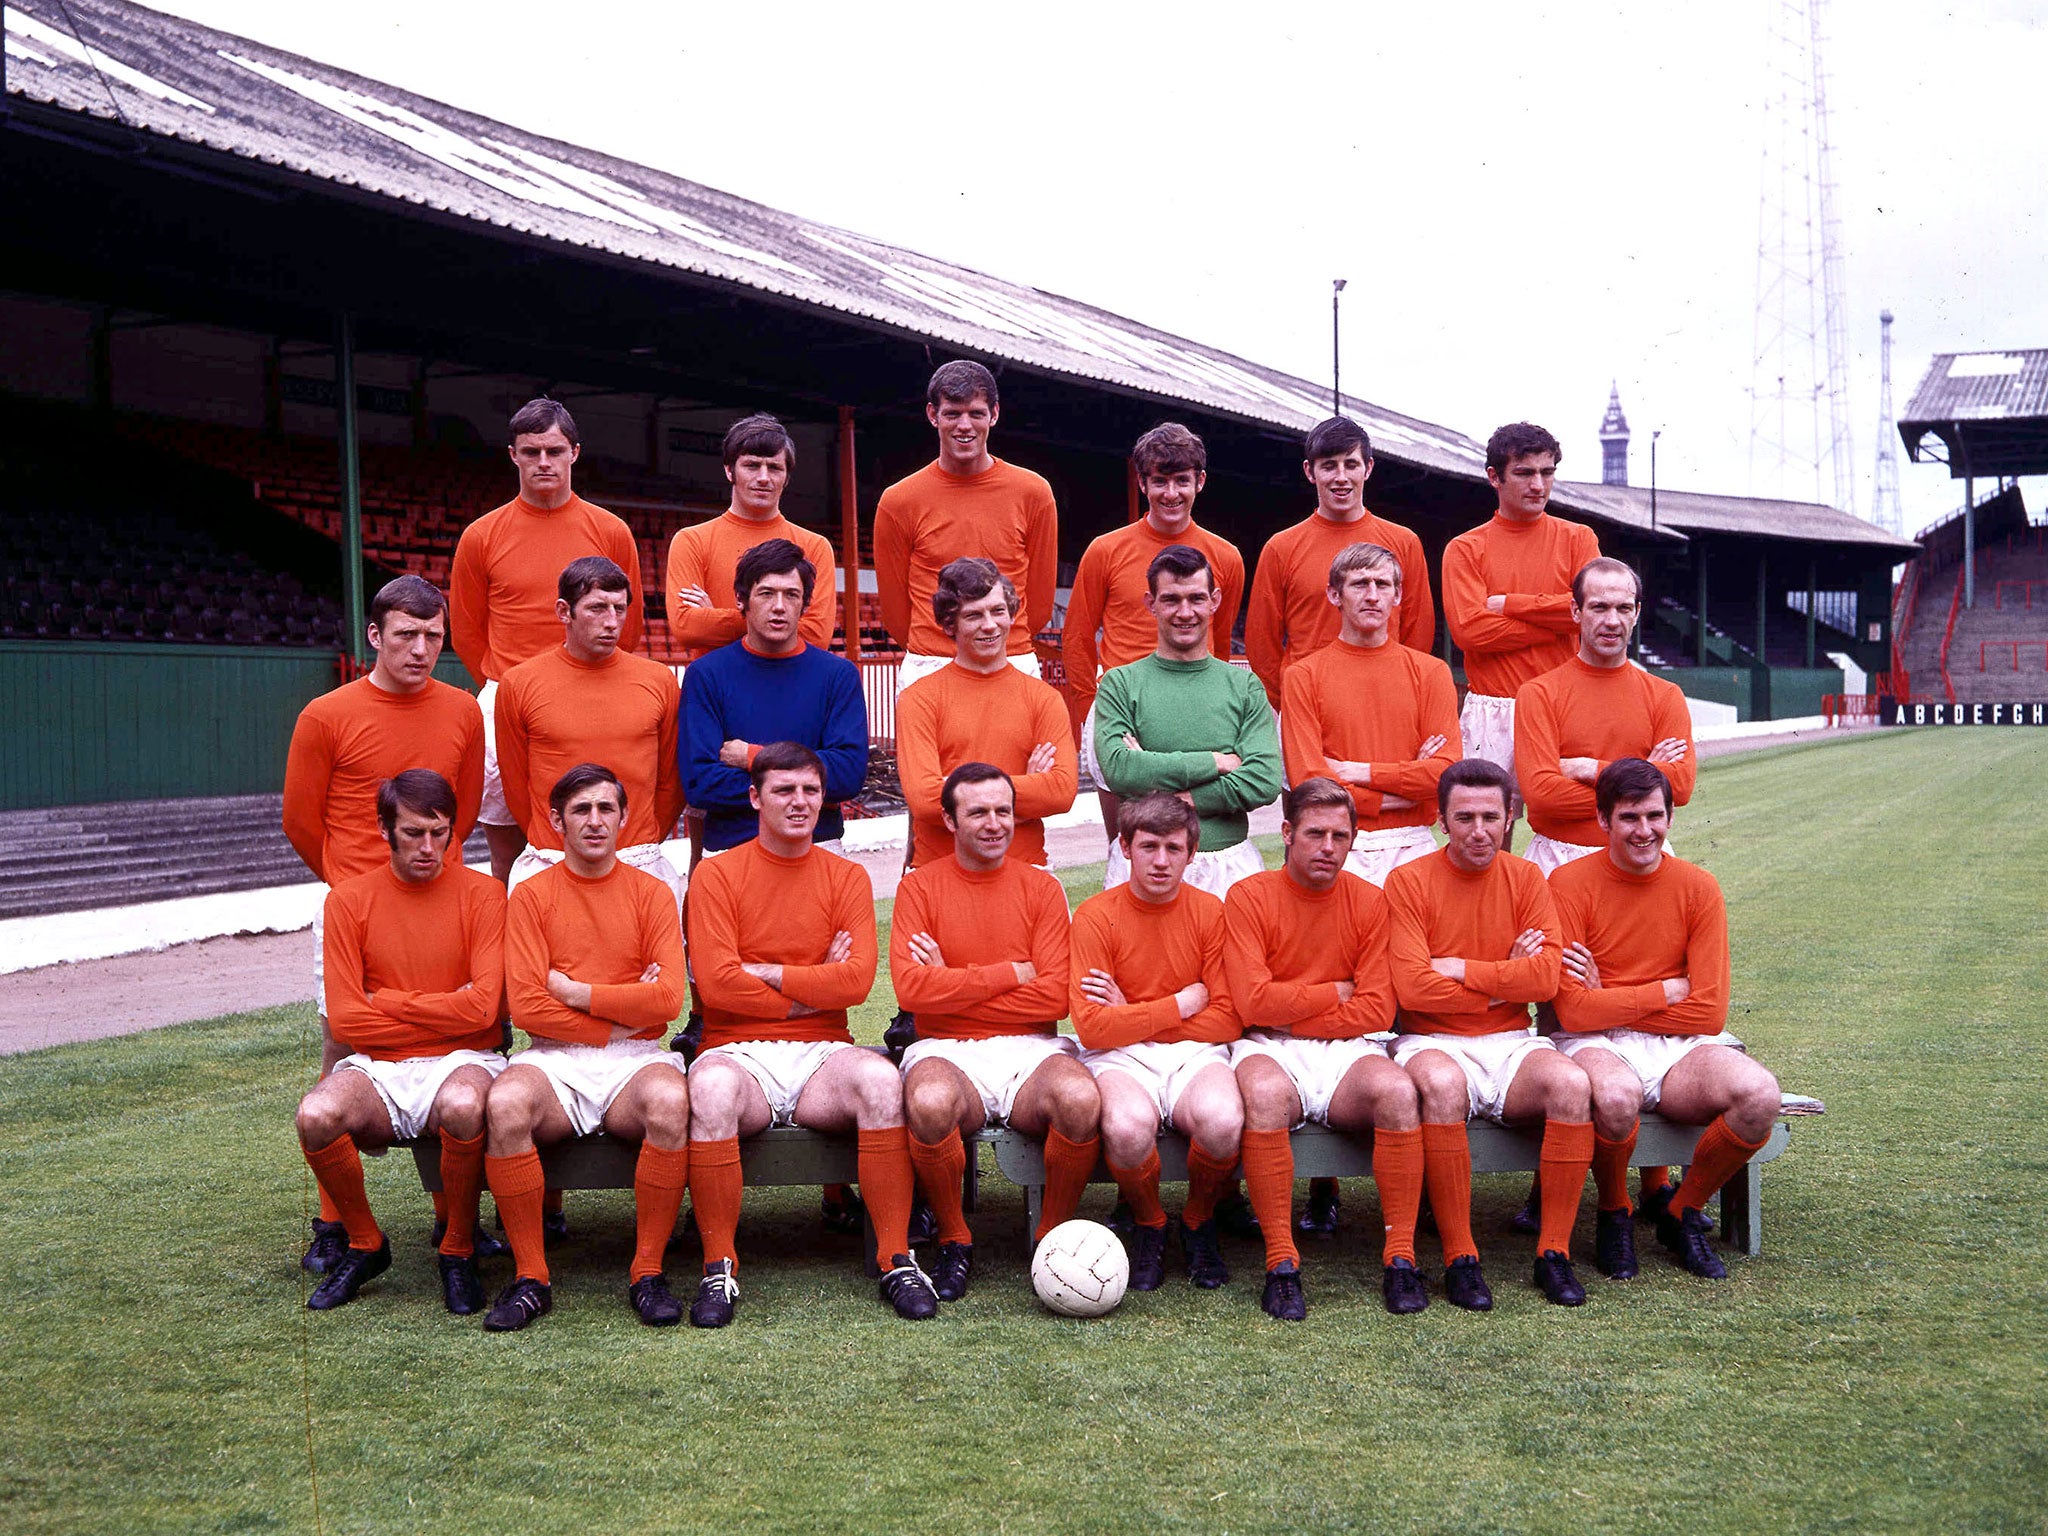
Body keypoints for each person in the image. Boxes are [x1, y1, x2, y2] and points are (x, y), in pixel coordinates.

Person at [684, 743, 936, 1325]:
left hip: (822, 1050)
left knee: (878, 1079)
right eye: (783, 790)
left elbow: (854, 982)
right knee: (712, 1093)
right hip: (733, 1049)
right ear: (754, 797)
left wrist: (769, 973)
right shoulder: (717, 873)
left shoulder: (846, 876)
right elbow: (718, 988)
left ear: (826, 799)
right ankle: (719, 1265)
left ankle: (895, 1256)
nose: (799, 803)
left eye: (810, 791)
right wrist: (811, 981)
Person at [282, 574, 485, 1273]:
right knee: (344, 1047)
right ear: (375, 636)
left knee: (452, 1048)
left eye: (434, 636)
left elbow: (457, 811)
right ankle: (334, 1221)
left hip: (443, 905)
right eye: (407, 634)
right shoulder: (327, 714)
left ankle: (449, 1215)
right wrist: (353, 889)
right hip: (359, 911)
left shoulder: (462, 710)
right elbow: (300, 821)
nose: (422, 648)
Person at [480, 764, 691, 1332]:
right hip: (552, 1057)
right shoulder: (530, 895)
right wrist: (619, 1014)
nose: (594, 821)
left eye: (605, 809)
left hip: (636, 1059)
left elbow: (669, 998)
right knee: (504, 1106)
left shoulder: (651, 892)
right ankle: (531, 1277)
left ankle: (647, 1271)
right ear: (556, 821)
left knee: (671, 1104)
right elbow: (526, 1006)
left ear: (624, 818)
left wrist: (576, 992)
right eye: (580, 810)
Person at [1552, 758, 1779, 1281]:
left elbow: (1709, 1010)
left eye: (1655, 815)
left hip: (1681, 1043)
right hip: (1594, 1041)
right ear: (1604, 820)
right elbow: (1573, 1010)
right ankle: (1614, 1211)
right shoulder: (1567, 883)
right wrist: (1660, 991)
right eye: (1629, 817)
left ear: (1671, 818)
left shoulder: (1699, 887)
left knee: (1759, 1096)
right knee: (1614, 1097)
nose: (1644, 830)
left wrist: (1608, 993)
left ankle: (1684, 1212)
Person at [1384, 758, 1595, 1309]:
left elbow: (1547, 977)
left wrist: (1461, 968)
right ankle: (1460, 1256)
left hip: (1509, 1040)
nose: (1478, 831)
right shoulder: (1408, 881)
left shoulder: (1526, 878)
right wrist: (1506, 977)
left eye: (1490, 818)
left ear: (1510, 819)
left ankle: (1554, 1252)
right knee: (1443, 1086)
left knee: (1572, 1086)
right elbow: (1411, 989)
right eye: (1464, 817)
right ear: (1441, 819)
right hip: (1429, 1040)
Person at [294, 769, 507, 1315]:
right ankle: (366, 1243)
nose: (428, 847)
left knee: (464, 1105)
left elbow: (485, 1013)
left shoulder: (485, 895)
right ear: (384, 829)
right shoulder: (347, 901)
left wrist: (388, 1001)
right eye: (413, 833)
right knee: (315, 1115)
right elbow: (345, 1022)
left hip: (464, 1058)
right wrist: (443, 1007)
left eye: (440, 833)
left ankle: (457, 1248)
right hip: (378, 1065)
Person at [1222, 777, 1427, 1320]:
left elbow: (1377, 1010)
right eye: (1315, 833)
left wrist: (1291, 1008)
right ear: (1287, 833)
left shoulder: (1369, 901)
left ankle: (1401, 1257)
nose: (1327, 847)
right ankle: (1281, 1261)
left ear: (1354, 839)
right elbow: (1250, 1003)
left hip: (1345, 1047)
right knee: (1264, 1094)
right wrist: (1331, 993)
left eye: (1340, 835)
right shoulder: (1249, 896)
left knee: (1396, 1093)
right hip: (1270, 1047)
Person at [893, 764, 1096, 1301]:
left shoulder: (1042, 888)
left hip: (1031, 1047)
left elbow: (1055, 996)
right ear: (949, 819)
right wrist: (1010, 972)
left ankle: (1051, 1240)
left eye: (1003, 811)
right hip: (943, 1047)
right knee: (932, 1100)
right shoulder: (919, 888)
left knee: (1078, 1097)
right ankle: (956, 1238)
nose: (993, 823)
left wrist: (952, 979)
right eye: (978, 812)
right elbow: (914, 992)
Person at [450, 398, 643, 881]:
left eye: (553, 450)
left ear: (574, 453)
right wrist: (511, 689)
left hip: (593, 692)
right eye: (531, 451)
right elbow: (467, 630)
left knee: (592, 834)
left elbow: (628, 623)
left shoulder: (610, 531)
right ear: (512, 455)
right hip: (507, 699)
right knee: (508, 849)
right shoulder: (481, 536)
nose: (543, 462)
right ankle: (509, 955)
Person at [1069, 792, 1242, 1292]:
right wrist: (1178, 1005)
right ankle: (1150, 1224)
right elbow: (1092, 1028)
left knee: (1223, 1119)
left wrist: (1132, 1013)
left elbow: (1228, 1019)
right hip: (1118, 1055)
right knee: (1126, 1127)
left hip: (1194, 1051)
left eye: (1173, 848)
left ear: (1192, 852)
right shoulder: (1096, 916)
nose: (1161, 861)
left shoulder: (1210, 912)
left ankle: (1197, 1220)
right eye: (1148, 846)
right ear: (1124, 847)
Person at [1063, 423, 1245, 847]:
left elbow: (1215, 632)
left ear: (1200, 481)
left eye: (1182, 480)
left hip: (1196, 711)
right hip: (1123, 712)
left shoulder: (1225, 557)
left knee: (1197, 844)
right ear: (1142, 482)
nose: (1171, 493)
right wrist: (1091, 712)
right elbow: (1076, 637)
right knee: (1127, 846)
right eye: (1159, 481)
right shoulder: (1105, 550)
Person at [495, 557, 686, 912]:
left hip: (638, 859)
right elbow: (517, 785)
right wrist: (557, 840)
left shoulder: (658, 681)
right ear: (564, 611)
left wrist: (638, 838)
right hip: (553, 861)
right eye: (597, 608)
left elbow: (671, 781)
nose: (612, 622)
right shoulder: (519, 683)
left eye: (619, 608)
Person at [1093, 544, 1281, 894]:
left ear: (1214, 601)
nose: (1185, 612)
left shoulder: (1243, 686)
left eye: (1196, 598)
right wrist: (1216, 761)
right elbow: (1119, 770)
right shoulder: (1120, 683)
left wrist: (1177, 795)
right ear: (1151, 603)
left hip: (1228, 863)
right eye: (1171, 599)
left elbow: (1263, 780)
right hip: (1146, 865)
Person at [1281, 542, 1460, 886]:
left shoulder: (1431, 672)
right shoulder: (1303, 676)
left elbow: (1445, 775)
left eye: (1383, 584)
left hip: (1414, 843)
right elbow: (1311, 785)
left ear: (1398, 595)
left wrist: (1358, 771)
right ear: (1335, 594)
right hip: (1342, 844)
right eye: (1360, 584)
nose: (1372, 596)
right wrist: (1405, 793)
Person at [873, 360, 1057, 693]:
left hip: (1011, 656)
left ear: (994, 414)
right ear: (932, 415)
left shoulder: (1034, 492)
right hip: (931, 661)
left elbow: (1041, 603)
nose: (964, 426)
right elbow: (896, 613)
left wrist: (999, 638)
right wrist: (940, 645)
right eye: (952, 413)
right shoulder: (899, 500)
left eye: (975, 413)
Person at [1441, 424, 1600, 800]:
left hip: (1564, 705)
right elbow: (1470, 633)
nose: (1538, 485)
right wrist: (1562, 622)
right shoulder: (1465, 548)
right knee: (1487, 831)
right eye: (1525, 473)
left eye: (1547, 473)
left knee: (1565, 825)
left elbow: (1592, 610)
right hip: (1491, 710)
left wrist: (1512, 604)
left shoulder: (1579, 538)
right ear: (1494, 477)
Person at [681, 539, 868, 855]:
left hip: (817, 848)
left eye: (791, 595)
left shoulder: (838, 676)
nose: (779, 606)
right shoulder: (706, 675)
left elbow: (847, 775)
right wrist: (810, 785)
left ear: (805, 604)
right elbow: (701, 783)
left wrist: (753, 757)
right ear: (742, 600)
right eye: (766, 593)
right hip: (732, 849)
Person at [1514, 558, 1695, 874]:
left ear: (1636, 613)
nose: (1612, 620)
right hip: (1560, 859)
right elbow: (1542, 796)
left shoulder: (1666, 695)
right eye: (1599, 607)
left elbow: (1679, 788)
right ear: (1575, 611)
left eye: (1623, 609)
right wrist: (1647, 775)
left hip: (1643, 857)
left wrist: (1590, 768)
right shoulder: (1538, 693)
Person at [896, 558, 1076, 871]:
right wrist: (1022, 793)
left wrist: (958, 792)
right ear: (950, 625)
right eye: (974, 615)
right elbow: (924, 800)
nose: (989, 625)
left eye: (997, 611)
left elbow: (1061, 791)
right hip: (939, 871)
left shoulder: (1044, 698)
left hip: (1025, 867)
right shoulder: (919, 699)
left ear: (1011, 614)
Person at [1245, 416, 1431, 704]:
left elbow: (1418, 633)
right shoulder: (1281, 548)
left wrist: (1399, 692)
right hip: (1308, 704)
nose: (1341, 477)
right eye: (1329, 465)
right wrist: (1293, 703)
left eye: (1351, 464)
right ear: (1310, 471)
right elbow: (1262, 646)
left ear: (1368, 468)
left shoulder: (1404, 543)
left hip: (1385, 700)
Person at [664, 413, 838, 663]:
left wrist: (715, 617)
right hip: (719, 688)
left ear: (787, 477)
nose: (764, 477)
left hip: (792, 685)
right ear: (729, 471)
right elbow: (687, 628)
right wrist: (780, 622)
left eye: (775, 467)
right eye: (752, 465)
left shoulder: (815, 546)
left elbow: (817, 634)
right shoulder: (692, 541)